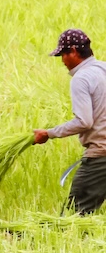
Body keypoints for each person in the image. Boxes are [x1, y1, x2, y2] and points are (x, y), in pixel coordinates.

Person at [34, 29, 106, 215]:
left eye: (63, 54)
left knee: (75, 216)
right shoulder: (103, 69)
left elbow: (84, 121)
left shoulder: (81, 78)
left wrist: (48, 133)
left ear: (73, 51)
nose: (62, 61)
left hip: (100, 156)